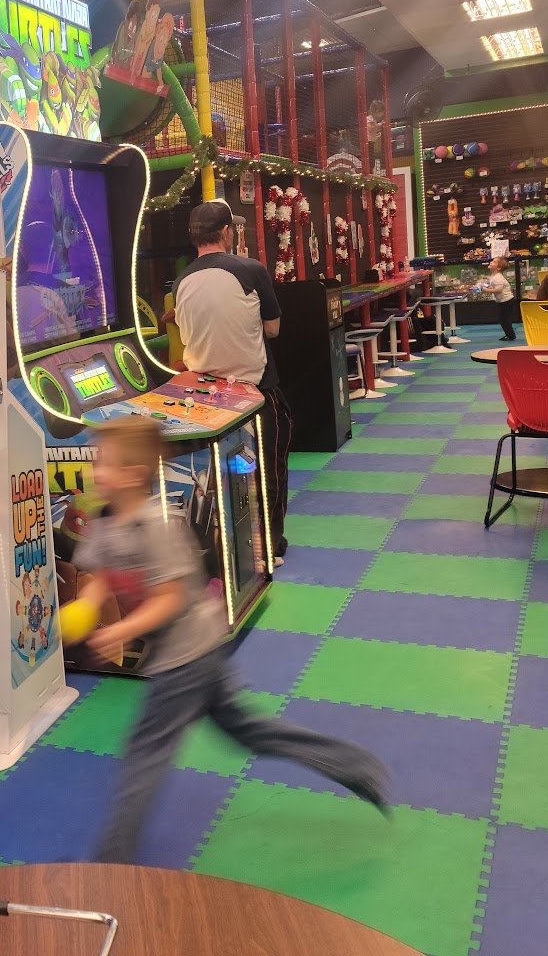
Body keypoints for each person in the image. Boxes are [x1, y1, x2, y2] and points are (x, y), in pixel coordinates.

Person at [74, 415, 389, 864]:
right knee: (248, 731)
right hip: (197, 650)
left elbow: (168, 599)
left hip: (187, 656)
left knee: (145, 754)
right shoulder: (106, 522)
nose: (95, 471)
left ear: (133, 474)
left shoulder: (157, 527)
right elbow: (100, 575)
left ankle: (110, 863)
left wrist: (120, 630)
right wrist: (88, 605)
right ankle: (356, 767)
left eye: (104, 463)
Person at [174, 199, 290, 564]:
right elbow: (273, 329)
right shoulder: (251, 270)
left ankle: (227, 549)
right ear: (227, 232)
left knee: (218, 475)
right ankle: (270, 545)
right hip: (254, 391)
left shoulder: (181, 280)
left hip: (202, 395)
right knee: (269, 465)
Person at [480, 255, 519, 341]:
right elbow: (493, 286)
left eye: (494, 262)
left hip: (506, 301)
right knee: (503, 319)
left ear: (498, 268)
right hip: (503, 300)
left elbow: (499, 290)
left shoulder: (498, 277)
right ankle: (509, 334)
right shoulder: (493, 276)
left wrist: (486, 290)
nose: (491, 262)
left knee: (504, 319)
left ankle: (510, 335)